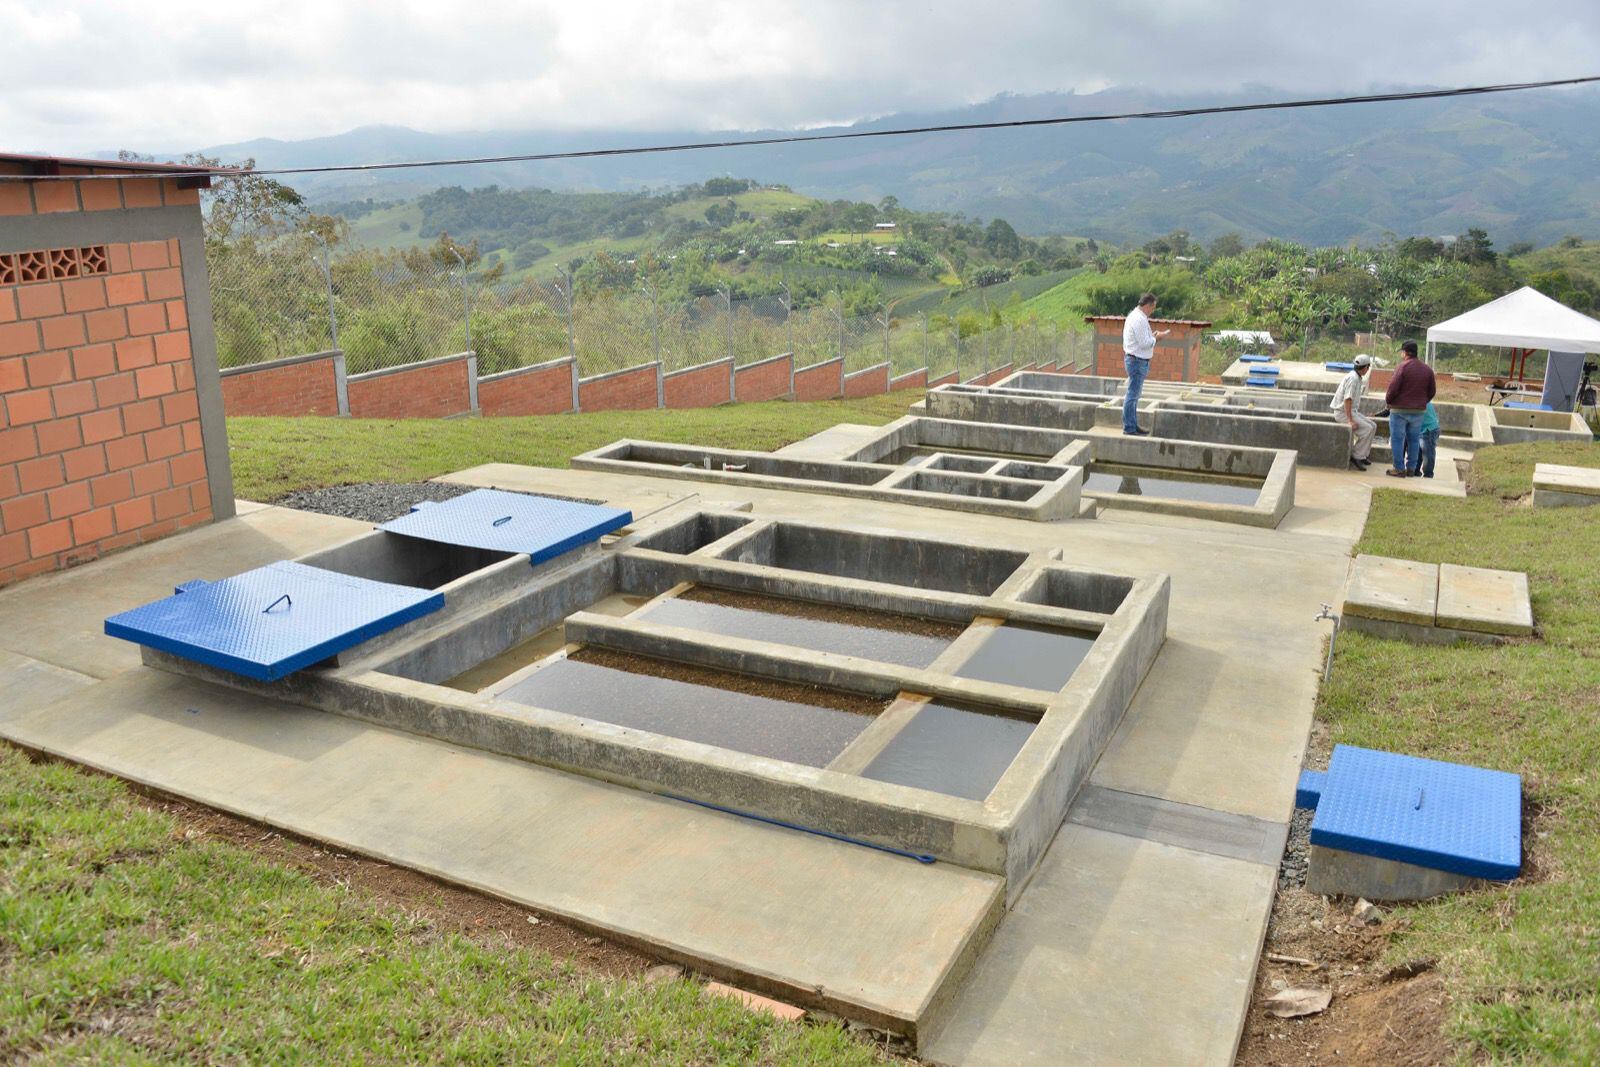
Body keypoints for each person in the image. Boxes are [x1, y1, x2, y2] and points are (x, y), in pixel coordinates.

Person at [1384, 340, 1436, 477]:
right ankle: (1411, 469)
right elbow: (1432, 391)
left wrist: (1389, 401)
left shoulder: (1402, 367)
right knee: (1413, 440)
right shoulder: (1427, 370)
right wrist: (1422, 402)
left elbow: (1393, 388)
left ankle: (1399, 468)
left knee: (1397, 439)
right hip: (1418, 411)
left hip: (1399, 411)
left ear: (1405, 352)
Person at [1121, 293, 1169, 436]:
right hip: (1137, 361)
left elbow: (1142, 339)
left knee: (1134, 395)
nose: (1152, 311)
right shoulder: (1139, 319)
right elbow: (1144, 343)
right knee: (1132, 395)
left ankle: (1133, 425)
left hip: (1136, 360)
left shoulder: (1137, 317)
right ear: (1147, 306)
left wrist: (1151, 337)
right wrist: (1157, 338)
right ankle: (1129, 427)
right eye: (1152, 308)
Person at [1331, 354, 1376, 469]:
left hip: (1351, 411)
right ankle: (1356, 456)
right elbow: (1347, 400)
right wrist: (1350, 420)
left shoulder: (1356, 377)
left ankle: (1363, 455)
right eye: (1368, 367)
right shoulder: (1353, 379)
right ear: (1365, 367)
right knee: (1367, 429)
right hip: (1342, 413)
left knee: (1373, 425)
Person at [1410, 401, 1440, 478]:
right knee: (1418, 451)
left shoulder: (1416, 397)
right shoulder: (1421, 395)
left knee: (1428, 453)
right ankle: (1416, 471)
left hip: (1429, 429)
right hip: (1423, 428)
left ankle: (1428, 474)